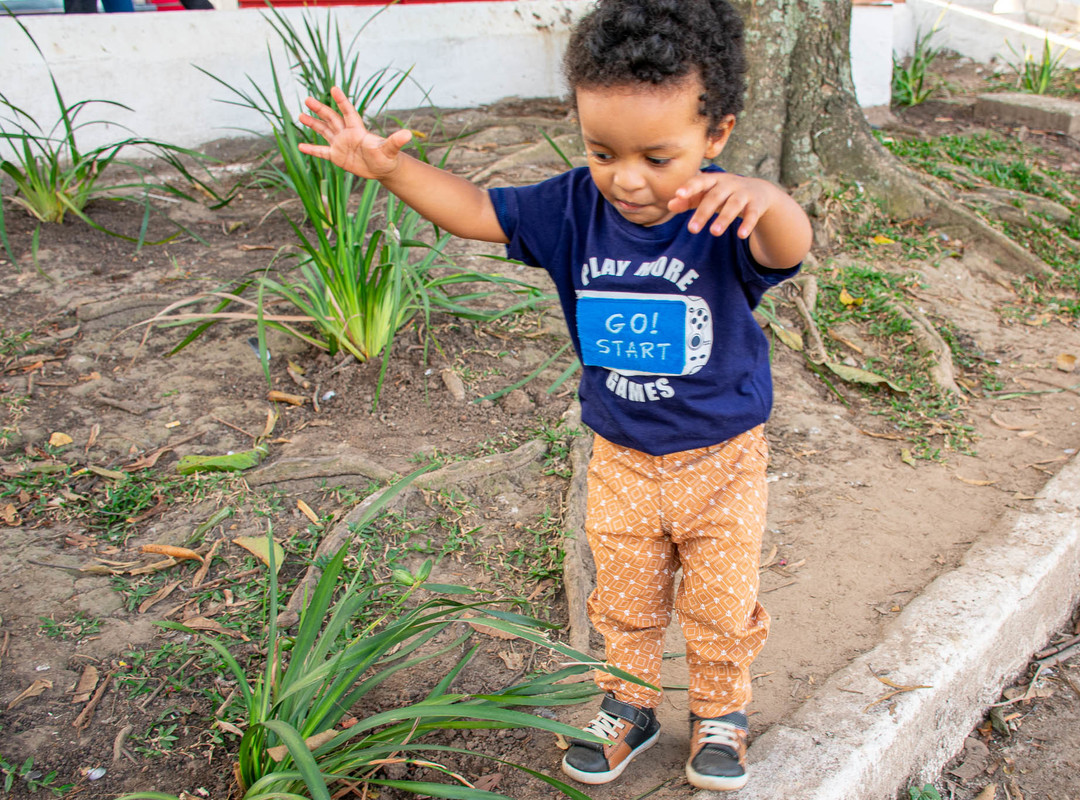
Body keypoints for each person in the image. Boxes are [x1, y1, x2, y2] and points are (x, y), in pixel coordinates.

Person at [298, 0, 812, 791]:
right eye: (602, 150)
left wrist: (770, 202)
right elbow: (477, 212)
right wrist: (390, 167)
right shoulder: (574, 206)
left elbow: (788, 248)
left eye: (657, 155)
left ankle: (719, 712)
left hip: (722, 459)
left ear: (716, 137)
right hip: (622, 456)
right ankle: (628, 707)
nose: (627, 178)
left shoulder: (726, 213)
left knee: (720, 601)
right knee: (626, 598)